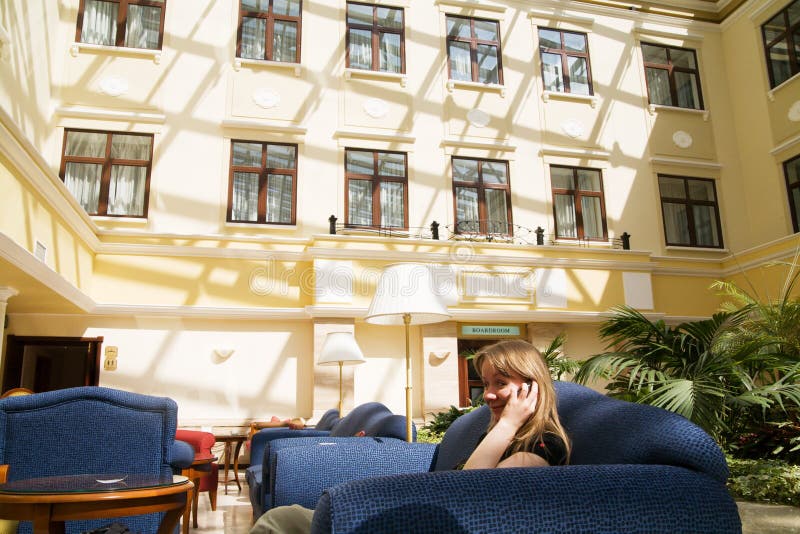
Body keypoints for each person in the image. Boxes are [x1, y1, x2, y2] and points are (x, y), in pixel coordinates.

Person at [250, 339, 570, 534]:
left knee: (282, 522)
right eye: (484, 384)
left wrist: (507, 424)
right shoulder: (499, 434)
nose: (486, 396)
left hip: (427, 523)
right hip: (421, 514)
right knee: (285, 517)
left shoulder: (542, 445)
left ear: (532, 387)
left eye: (499, 383)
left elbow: (472, 492)